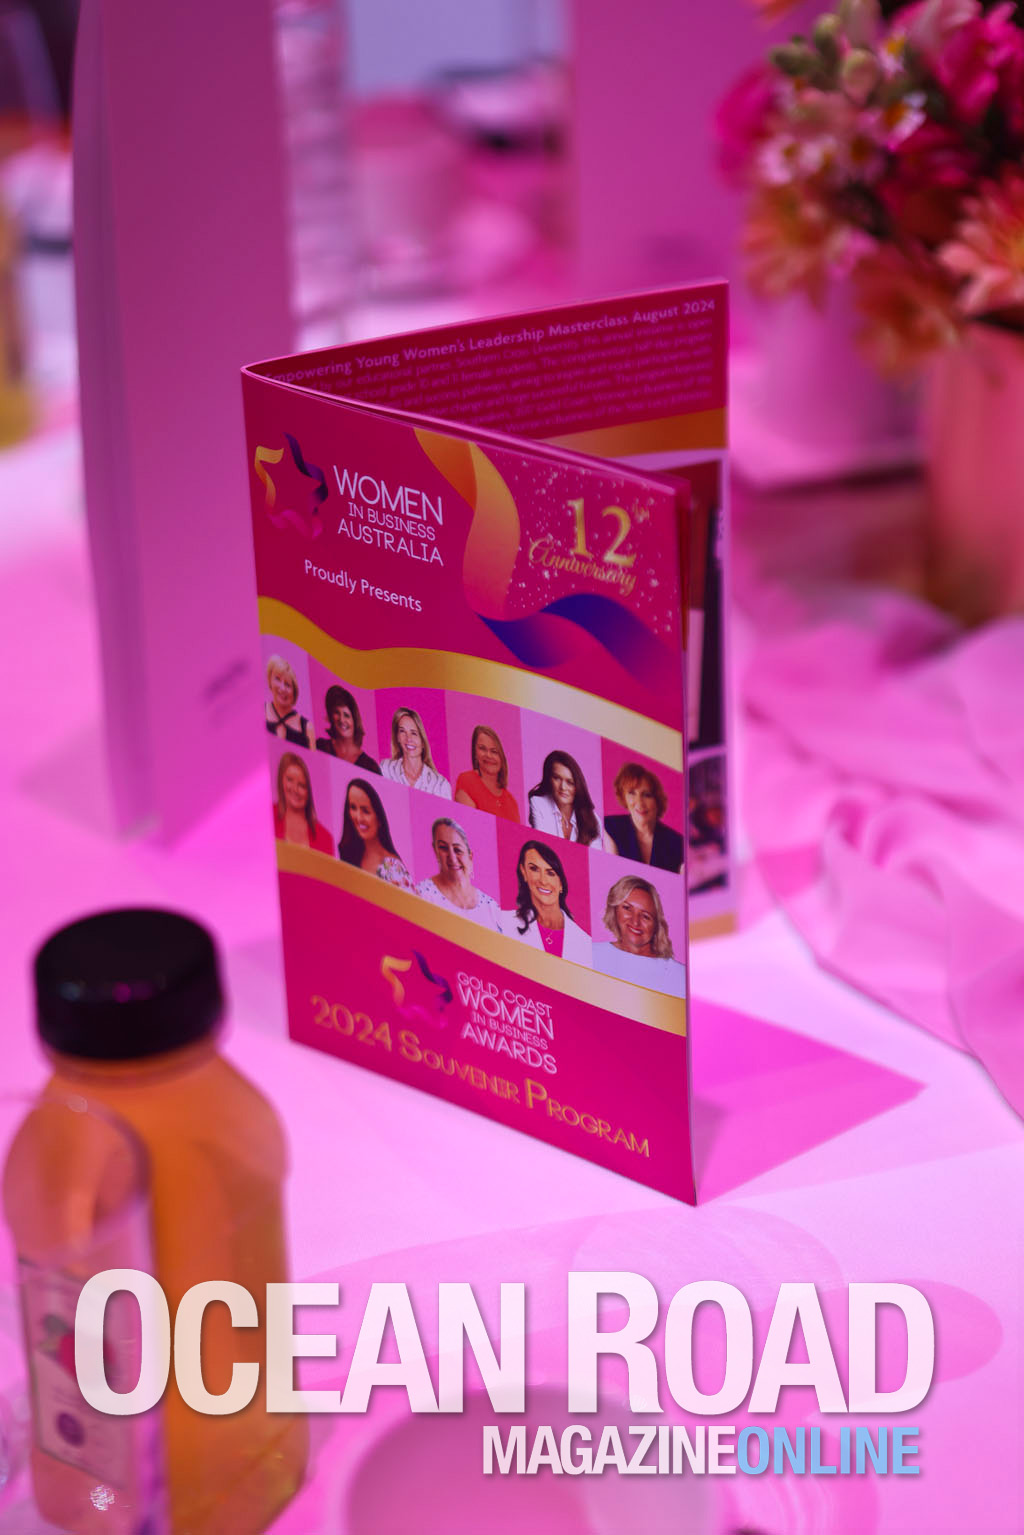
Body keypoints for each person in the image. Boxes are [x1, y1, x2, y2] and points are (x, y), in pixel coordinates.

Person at [500, 840, 591, 965]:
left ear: (561, 884)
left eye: (550, 873)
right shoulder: (504, 923)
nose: (543, 881)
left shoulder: (585, 942)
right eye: (534, 869)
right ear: (524, 872)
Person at [592, 876, 686, 996]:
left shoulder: (679, 975)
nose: (635, 922)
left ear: (656, 925)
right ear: (614, 910)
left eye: (645, 916)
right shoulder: (591, 954)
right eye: (627, 908)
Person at [415, 817, 502, 931]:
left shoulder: (490, 906)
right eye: (443, 848)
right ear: (435, 851)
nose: (452, 858)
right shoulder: (421, 895)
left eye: (457, 850)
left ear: (470, 857)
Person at [604, 762, 684, 872]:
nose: (639, 803)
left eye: (646, 795)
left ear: (657, 801)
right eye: (632, 793)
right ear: (624, 797)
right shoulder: (610, 827)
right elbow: (613, 873)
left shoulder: (677, 842)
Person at [337, 778, 413, 888]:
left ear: (379, 819)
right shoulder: (349, 853)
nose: (358, 817)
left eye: (365, 811)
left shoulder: (392, 868)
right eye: (353, 807)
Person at [527, 751, 607, 848]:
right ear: (549, 779)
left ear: (578, 786)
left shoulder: (593, 819)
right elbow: (542, 847)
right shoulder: (538, 803)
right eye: (557, 778)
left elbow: (595, 854)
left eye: (570, 782)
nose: (563, 787)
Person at [380, 706, 452, 796]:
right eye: (402, 731)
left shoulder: (440, 785)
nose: (408, 739)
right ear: (397, 737)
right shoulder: (385, 769)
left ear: (423, 741)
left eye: (414, 733)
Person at [454, 725, 520, 821]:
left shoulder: (511, 801)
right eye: (482, 749)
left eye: (494, 751)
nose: (488, 755)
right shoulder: (467, 780)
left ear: (501, 758)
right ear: (475, 753)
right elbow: (469, 822)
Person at [272, 752, 334, 854]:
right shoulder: (266, 815)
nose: (295, 790)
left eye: (302, 785)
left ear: (309, 791)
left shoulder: (325, 838)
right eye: (289, 780)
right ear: (281, 780)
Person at [315, 684, 381, 772]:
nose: (342, 720)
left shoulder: (370, 766)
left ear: (355, 720)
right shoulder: (320, 746)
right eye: (337, 713)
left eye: (346, 715)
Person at [265, 655, 314, 748]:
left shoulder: (307, 728)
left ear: (294, 692)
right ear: (270, 679)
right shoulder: (258, 711)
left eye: (287, 685)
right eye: (277, 679)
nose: (282, 688)